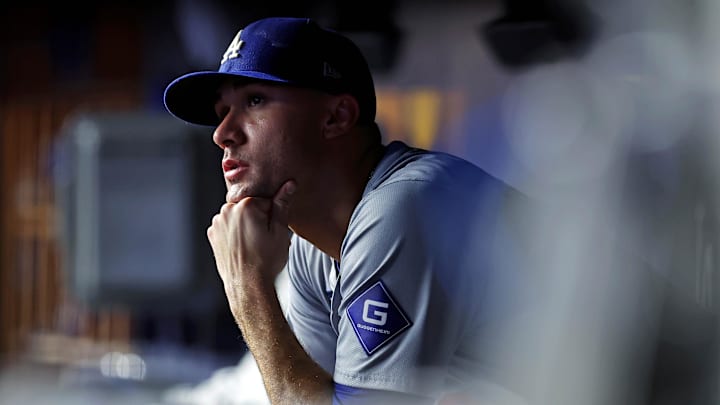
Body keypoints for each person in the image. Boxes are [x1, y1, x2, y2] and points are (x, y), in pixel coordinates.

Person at [164, 16, 528, 405]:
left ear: (336, 117)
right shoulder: (313, 245)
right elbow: (306, 395)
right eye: (222, 112)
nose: (222, 134)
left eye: (254, 100)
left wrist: (248, 289)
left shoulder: (403, 207)